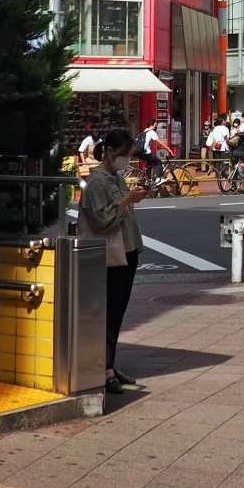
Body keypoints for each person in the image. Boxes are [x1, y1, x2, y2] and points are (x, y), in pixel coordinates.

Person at [78, 128, 149, 397]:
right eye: (125, 155)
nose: (127, 160)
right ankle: (104, 369)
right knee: (108, 312)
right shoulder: (96, 181)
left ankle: (109, 365)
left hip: (126, 251)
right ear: (110, 152)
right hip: (110, 255)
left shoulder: (115, 176)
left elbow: (119, 208)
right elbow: (102, 219)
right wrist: (128, 199)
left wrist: (133, 197)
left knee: (117, 311)